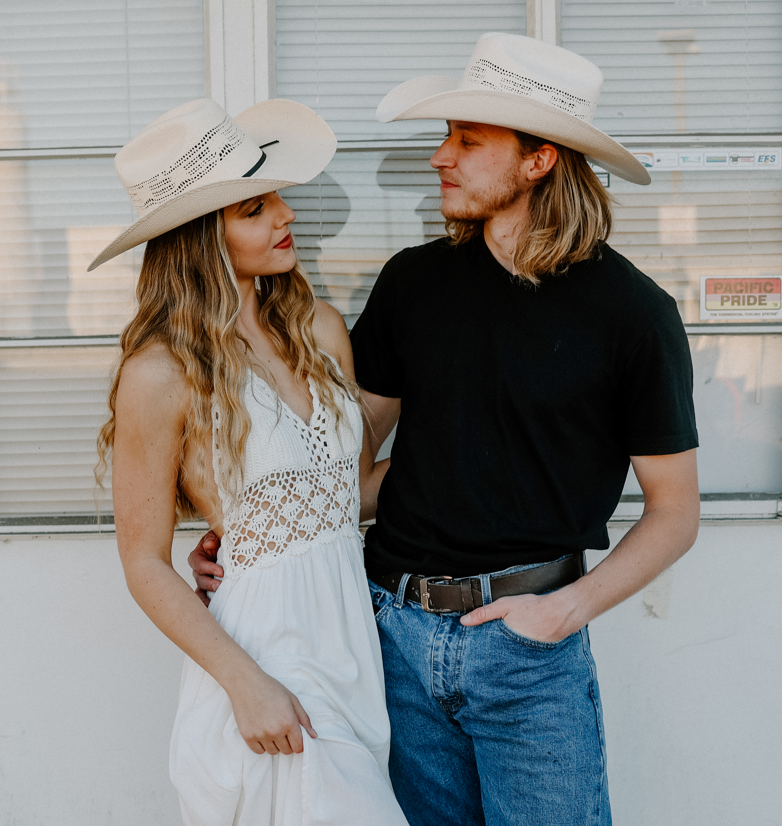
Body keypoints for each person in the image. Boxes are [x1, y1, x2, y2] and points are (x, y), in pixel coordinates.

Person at [190, 33, 700, 826]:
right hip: (387, 640)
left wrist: (563, 612)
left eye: (468, 140)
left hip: (529, 658)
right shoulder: (412, 283)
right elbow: (344, 462)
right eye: (445, 136)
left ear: (540, 160)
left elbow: (675, 510)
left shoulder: (633, 314)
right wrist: (252, 531)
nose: (440, 157)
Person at [93, 98, 408, 826]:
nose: (285, 219)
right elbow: (143, 564)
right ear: (202, 236)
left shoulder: (319, 329)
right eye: (254, 211)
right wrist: (246, 684)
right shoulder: (160, 372)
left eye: (276, 202)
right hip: (265, 655)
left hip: (354, 644)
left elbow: (350, 492)